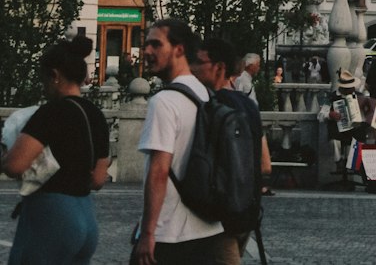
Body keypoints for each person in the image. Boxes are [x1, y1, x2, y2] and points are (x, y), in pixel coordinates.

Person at [2, 33, 110, 265]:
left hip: (52, 215)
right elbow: (99, 179)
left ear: (54, 76)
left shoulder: (51, 112)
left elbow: (14, 165)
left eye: (43, 79)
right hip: (86, 217)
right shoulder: (96, 115)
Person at [136, 17, 224, 263]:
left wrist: (147, 233)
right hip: (207, 227)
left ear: (179, 49)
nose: (147, 52)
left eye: (155, 45)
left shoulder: (164, 102)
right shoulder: (206, 94)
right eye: (146, 45)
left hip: (170, 233)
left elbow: (159, 171)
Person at [191, 36, 266, 264]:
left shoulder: (211, 107)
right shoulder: (249, 105)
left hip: (220, 215)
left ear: (219, 68)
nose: (193, 68)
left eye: (200, 62)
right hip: (247, 209)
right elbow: (266, 164)